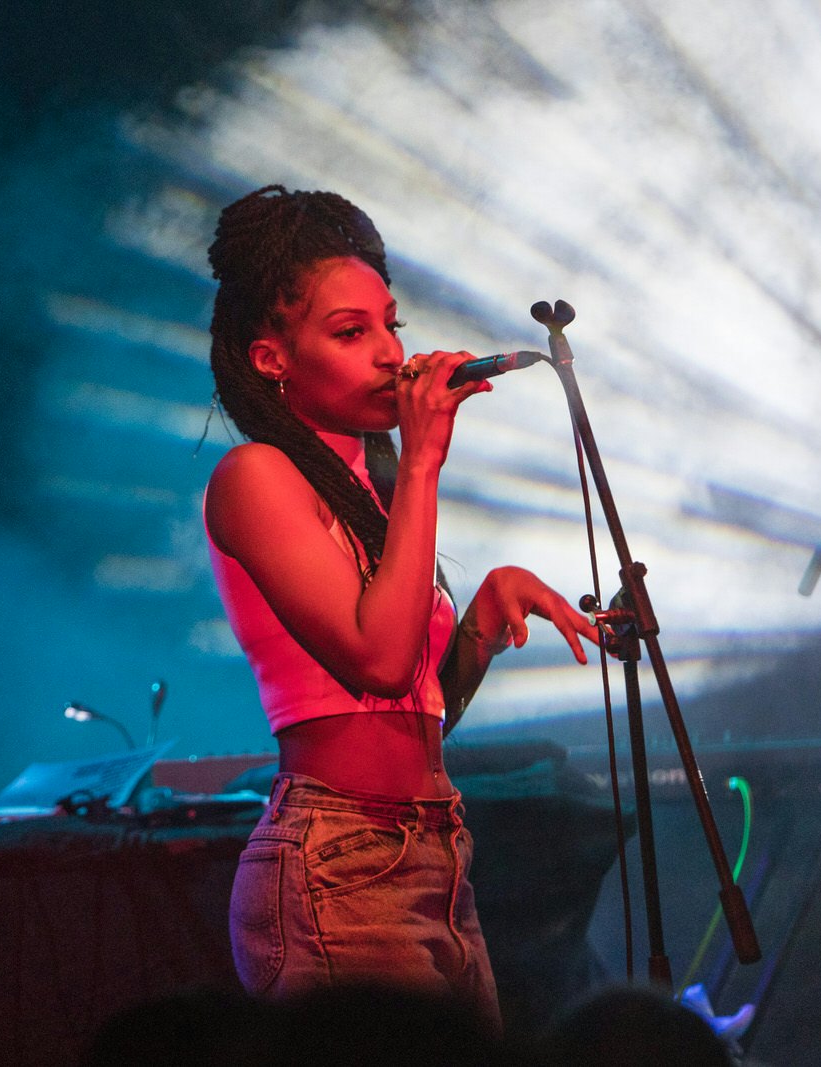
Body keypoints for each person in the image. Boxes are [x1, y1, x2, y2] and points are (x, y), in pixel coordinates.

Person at [202, 186, 598, 1032]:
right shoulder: (256, 480)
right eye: (351, 333)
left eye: (392, 325)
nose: (390, 354)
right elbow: (375, 659)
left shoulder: (374, 497)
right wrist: (423, 464)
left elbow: (409, 709)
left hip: (434, 853)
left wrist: (480, 625)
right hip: (336, 863)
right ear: (271, 357)